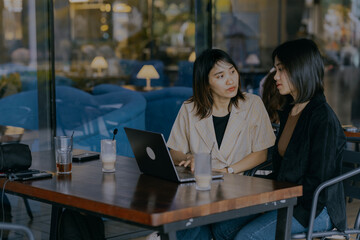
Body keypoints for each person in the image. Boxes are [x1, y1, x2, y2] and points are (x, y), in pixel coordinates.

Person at [234, 38, 347, 239]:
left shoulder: (323, 118)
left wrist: (275, 205)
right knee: (222, 227)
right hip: (286, 201)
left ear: (300, 70)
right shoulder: (290, 110)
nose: (275, 76)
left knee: (248, 236)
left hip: (315, 210)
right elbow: (281, 171)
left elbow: (317, 183)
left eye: (281, 69)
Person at [167, 48, 276, 240]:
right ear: (206, 83)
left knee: (194, 228)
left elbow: (261, 153)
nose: (231, 80)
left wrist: (229, 170)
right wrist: (188, 158)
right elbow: (174, 151)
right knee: (187, 225)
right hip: (199, 194)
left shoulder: (253, 104)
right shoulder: (189, 109)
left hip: (239, 192)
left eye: (232, 71)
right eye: (220, 75)